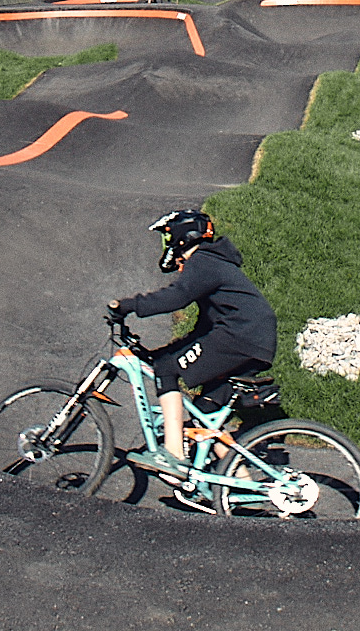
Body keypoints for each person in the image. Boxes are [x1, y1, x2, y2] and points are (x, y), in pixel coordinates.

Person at [109, 208, 277, 511]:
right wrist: (165, 350)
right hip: (250, 339)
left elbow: (176, 298)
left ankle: (173, 456)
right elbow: (205, 330)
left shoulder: (204, 261)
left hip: (242, 337)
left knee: (166, 369)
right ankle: (246, 491)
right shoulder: (212, 263)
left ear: (184, 236)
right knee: (205, 416)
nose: (167, 244)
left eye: (168, 236)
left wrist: (129, 305)